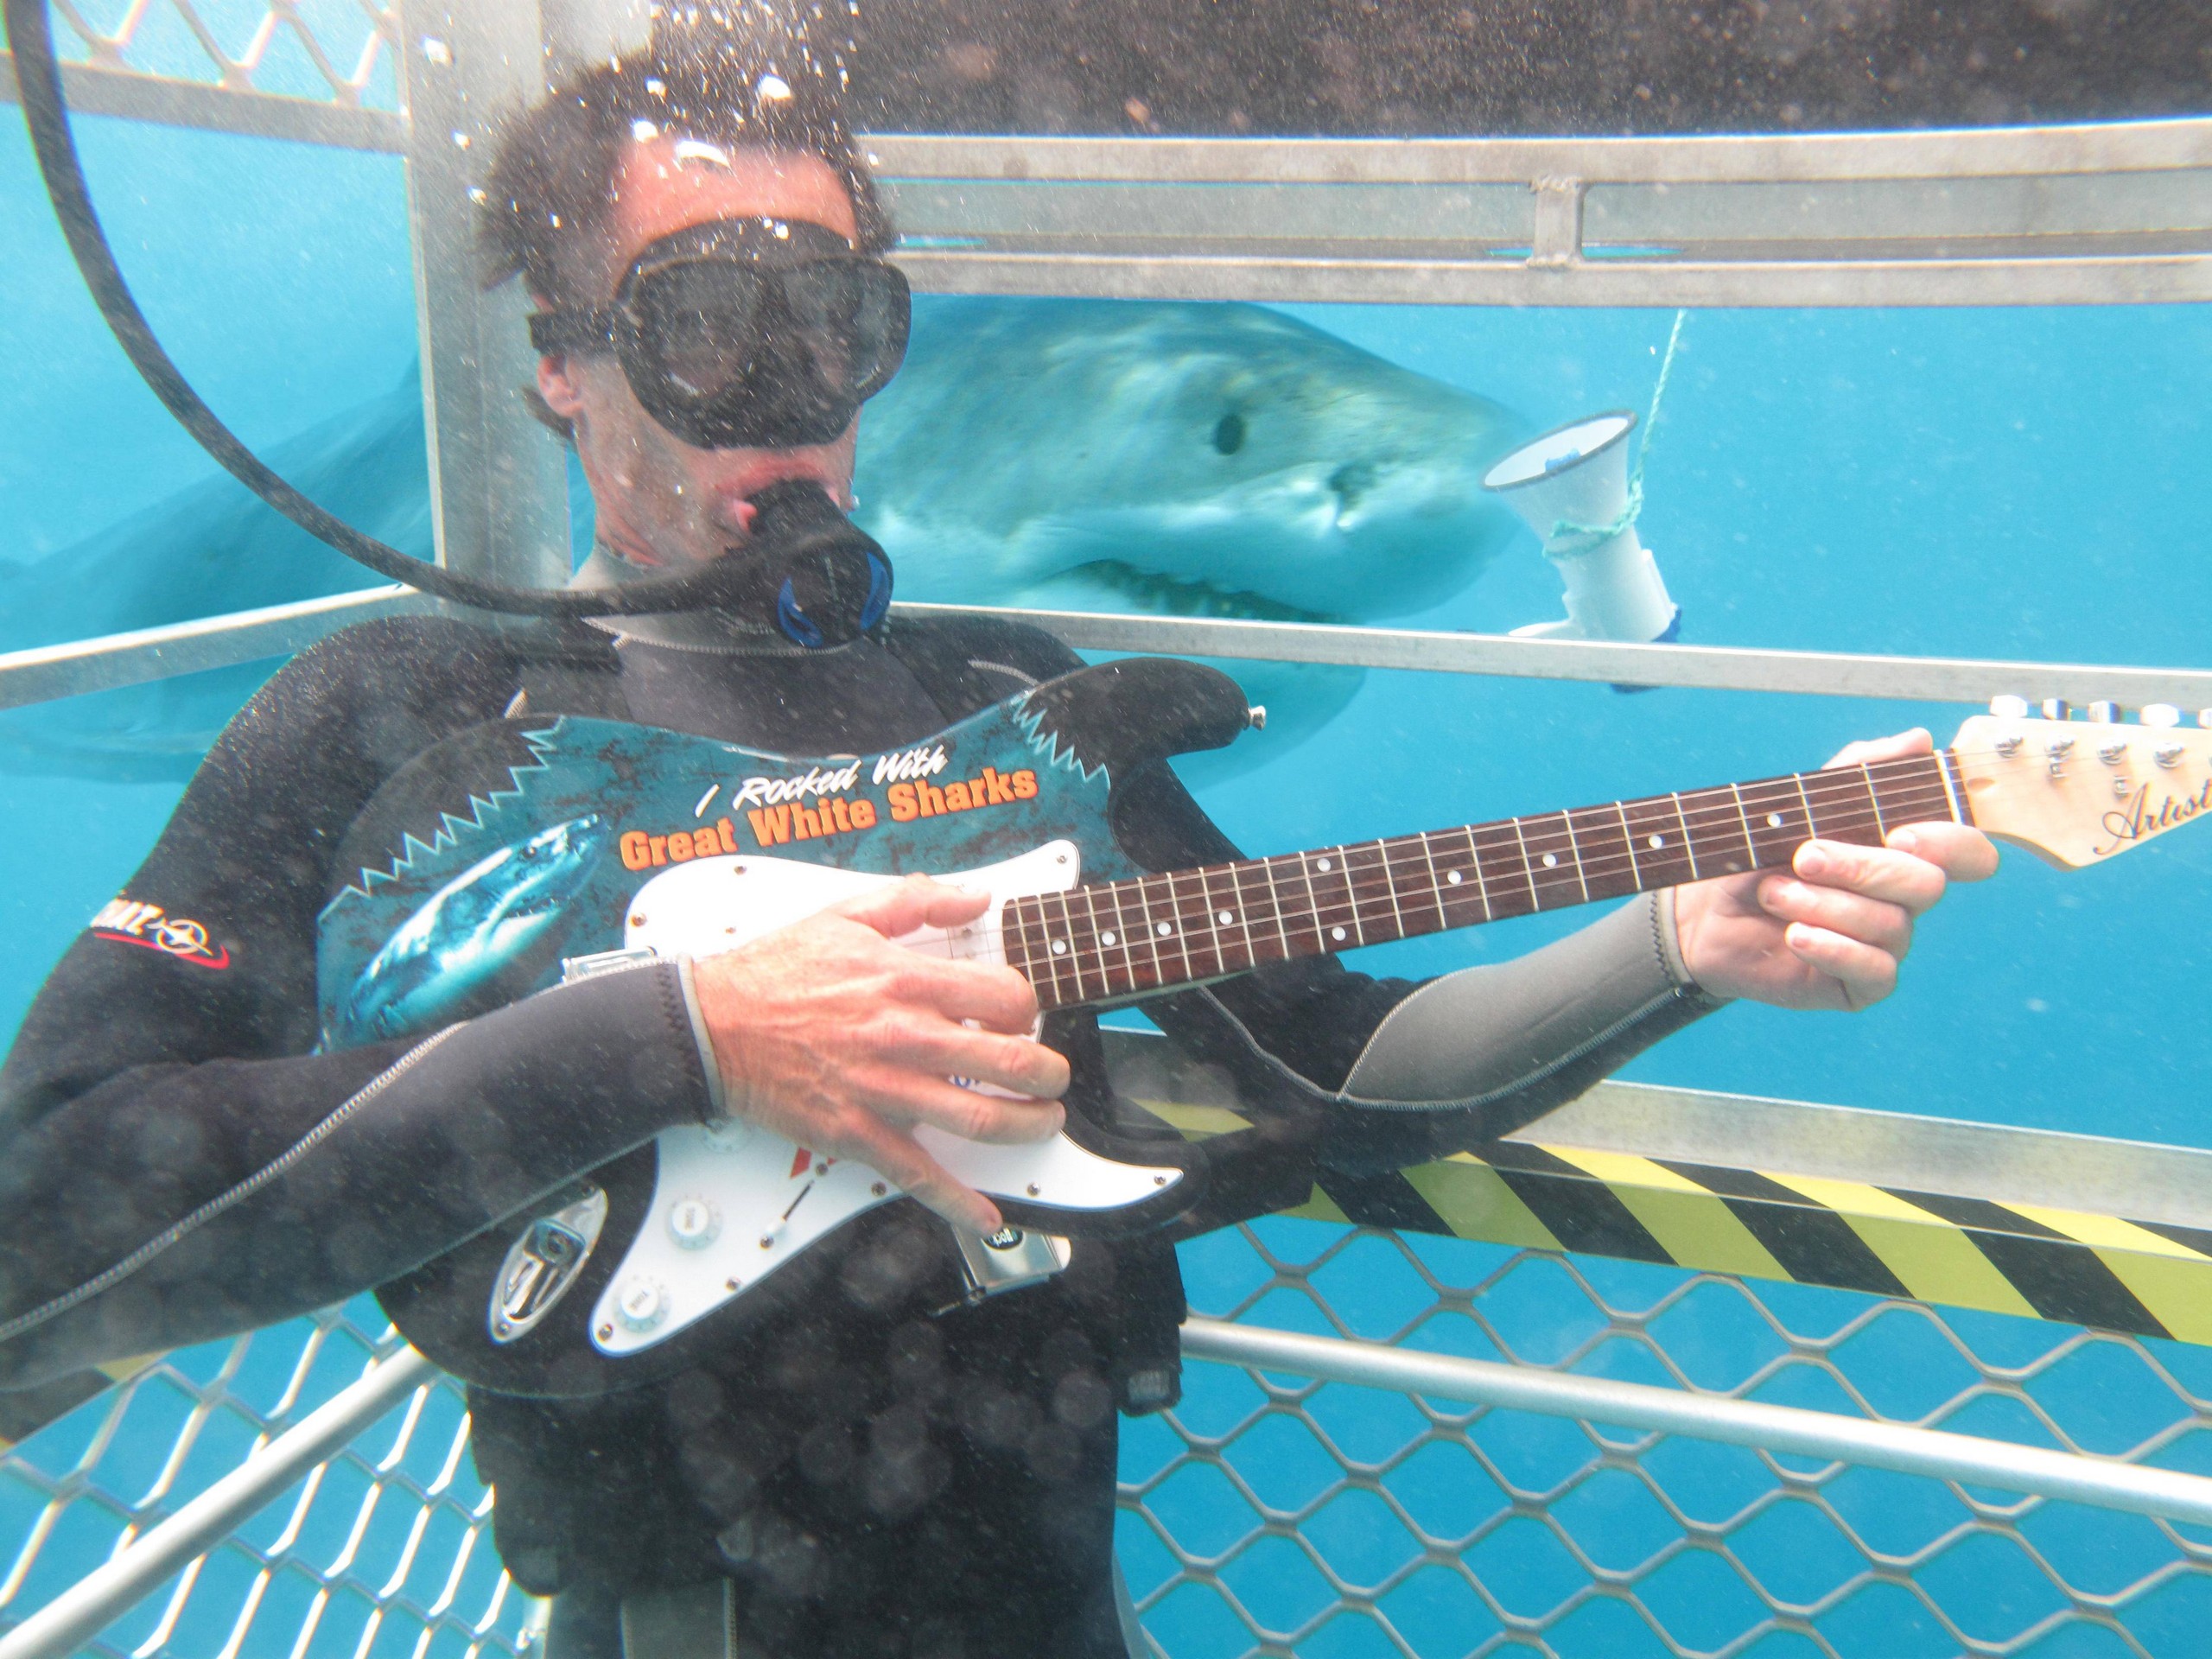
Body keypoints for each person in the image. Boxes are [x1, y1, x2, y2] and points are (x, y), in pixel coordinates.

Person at [0, 23, 1995, 1659]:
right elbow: (40, 1231)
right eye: (705, 324)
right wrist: (688, 1035)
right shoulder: (407, 715)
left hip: (1050, 1598)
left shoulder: (1017, 705)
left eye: (833, 321)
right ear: (557, 354)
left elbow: (1328, 1062)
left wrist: (1672, 940)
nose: (781, 389)